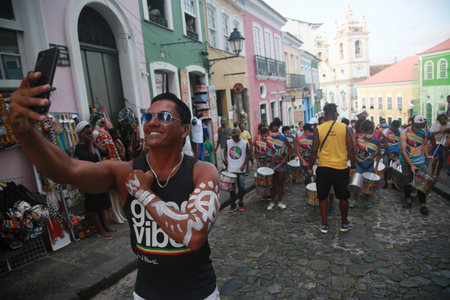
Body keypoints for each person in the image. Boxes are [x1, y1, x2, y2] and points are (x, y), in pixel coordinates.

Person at [10, 75, 221, 299]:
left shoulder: (202, 171)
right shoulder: (123, 172)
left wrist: (142, 193)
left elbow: (195, 235)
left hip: (199, 293)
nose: (152, 122)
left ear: (185, 130)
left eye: (165, 117)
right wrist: (25, 132)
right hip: (147, 294)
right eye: (148, 116)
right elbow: (66, 170)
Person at [308, 103, 356, 234]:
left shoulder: (319, 128)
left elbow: (313, 151)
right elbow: (351, 148)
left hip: (323, 167)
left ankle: (324, 224)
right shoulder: (345, 128)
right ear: (336, 113)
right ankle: (344, 223)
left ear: (324, 114)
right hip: (341, 168)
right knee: (343, 197)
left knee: (322, 197)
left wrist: (310, 166)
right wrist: (353, 167)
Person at [75, 121, 115, 239]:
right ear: (80, 134)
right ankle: (100, 230)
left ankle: (105, 226)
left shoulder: (92, 144)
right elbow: (91, 158)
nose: (89, 135)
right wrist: (91, 144)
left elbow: (106, 152)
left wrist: (93, 143)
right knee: (93, 206)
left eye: (90, 133)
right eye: (86, 133)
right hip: (88, 180)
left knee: (101, 203)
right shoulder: (79, 148)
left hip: (98, 178)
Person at [400, 115, 432, 215]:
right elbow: (403, 151)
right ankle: (408, 199)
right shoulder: (404, 133)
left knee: (422, 183)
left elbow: (425, 144)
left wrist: (427, 155)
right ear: (412, 124)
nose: (419, 128)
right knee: (407, 180)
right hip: (406, 161)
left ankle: (423, 204)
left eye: (421, 126)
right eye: (417, 125)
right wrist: (411, 165)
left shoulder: (424, 132)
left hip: (420, 161)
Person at [351, 120, 381, 208]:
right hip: (359, 164)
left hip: (370, 164)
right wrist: (358, 159)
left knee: (369, 183)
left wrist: (376, 167)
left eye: (370, 131)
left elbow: (379, 155)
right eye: (367, 131)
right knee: (356, 183)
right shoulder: (359, 140)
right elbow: (353, 152)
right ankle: (355, 200)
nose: (369, 133)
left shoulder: (376, 142)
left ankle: (368, 200)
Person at [266, 122, 292, 210]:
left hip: (282, 164)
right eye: (272, 129)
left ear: (278, 129)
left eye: (276, 129)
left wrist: (285, 158)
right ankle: (272, 202)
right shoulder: (268, 139)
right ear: (270, 130)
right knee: (272, 184)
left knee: (280, 183)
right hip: (271, 165)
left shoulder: (283, 138)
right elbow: (266, 150)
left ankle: (280, 202)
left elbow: (290, 149)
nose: (274, 131)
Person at [224, 128, 250, 212]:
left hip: (241, 169)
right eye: (233, 137)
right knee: (231, 189)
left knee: (241, 187)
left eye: (236, 137)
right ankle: (232, 204)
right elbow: (225, 151)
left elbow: (248, 154)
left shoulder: (244, 143)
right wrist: (225, 158)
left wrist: (244, 165)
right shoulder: (228, 142)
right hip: (231, 169)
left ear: (239, 136)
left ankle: (241, 202)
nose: (234, 139)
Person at [430, 111, 450, 177]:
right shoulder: (435, 124)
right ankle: (432, 173)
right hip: (435, 142)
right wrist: (438, 132)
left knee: (441, 160)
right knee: (435, 158)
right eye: (442, 119)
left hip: (442, 143)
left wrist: (447, 129)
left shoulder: (448, 124)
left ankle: (437, 173)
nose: (443, 121)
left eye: (445, 119)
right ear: (439, 119)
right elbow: (431, 133)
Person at [383, 120, 401, 188]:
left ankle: (394, 183)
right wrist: (389, 154)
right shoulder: (386, 132)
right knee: (386, 167)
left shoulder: (400, 131)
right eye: (394, 127)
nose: (395, 129)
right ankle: (385, 182)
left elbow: (401, 142)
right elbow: (385, 144)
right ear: (391, 126)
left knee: (395, 168)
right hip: (387, 153)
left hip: (397, 152)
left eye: (396, 128)